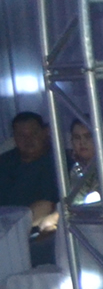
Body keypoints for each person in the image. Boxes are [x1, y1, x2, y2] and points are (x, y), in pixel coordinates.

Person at [1, 111, 62, 265]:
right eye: (21, 135)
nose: (28, 140)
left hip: (39, 233)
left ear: (45, 132)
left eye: (33, 133)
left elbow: (48, 206)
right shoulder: (4, 162)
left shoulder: (58, 161)